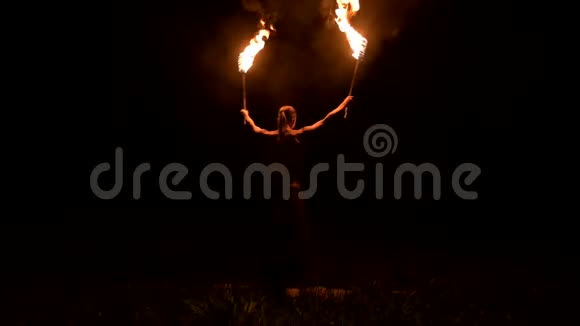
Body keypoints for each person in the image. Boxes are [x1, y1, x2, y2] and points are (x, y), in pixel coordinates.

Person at [240, 96, 353, 298]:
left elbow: (254, 128)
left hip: (274, 193)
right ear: (293, 120)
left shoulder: (270, 135)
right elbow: (326, 120)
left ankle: (277, 278)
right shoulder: (299, 134)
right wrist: (343, 105)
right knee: (297, 235)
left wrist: (246, 116)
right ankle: (296, 277)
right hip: (292, 193)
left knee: (277, 233)